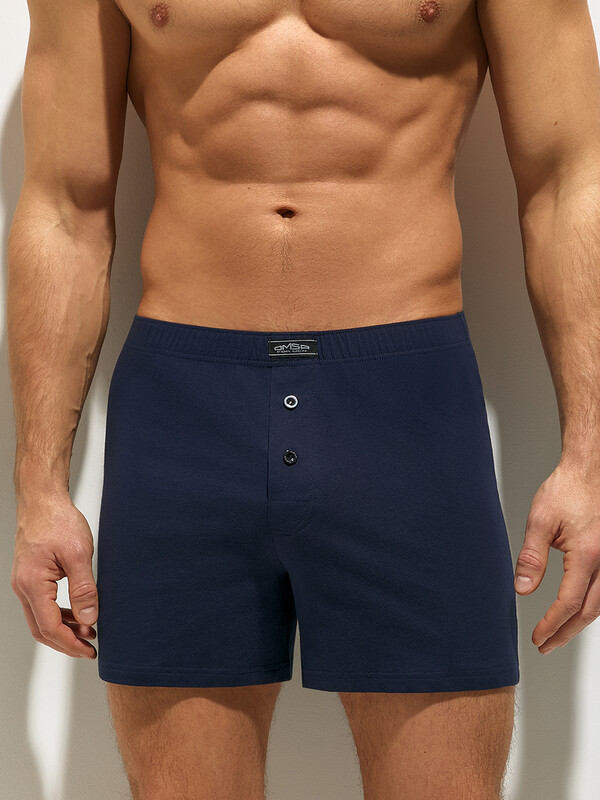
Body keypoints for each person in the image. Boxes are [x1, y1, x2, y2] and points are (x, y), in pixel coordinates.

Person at [7, 0, 600, 797]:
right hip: (184, 418)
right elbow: (62, 205)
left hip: (407, 412)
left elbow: (570, 180)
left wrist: (590, 456)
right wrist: (40, 488)